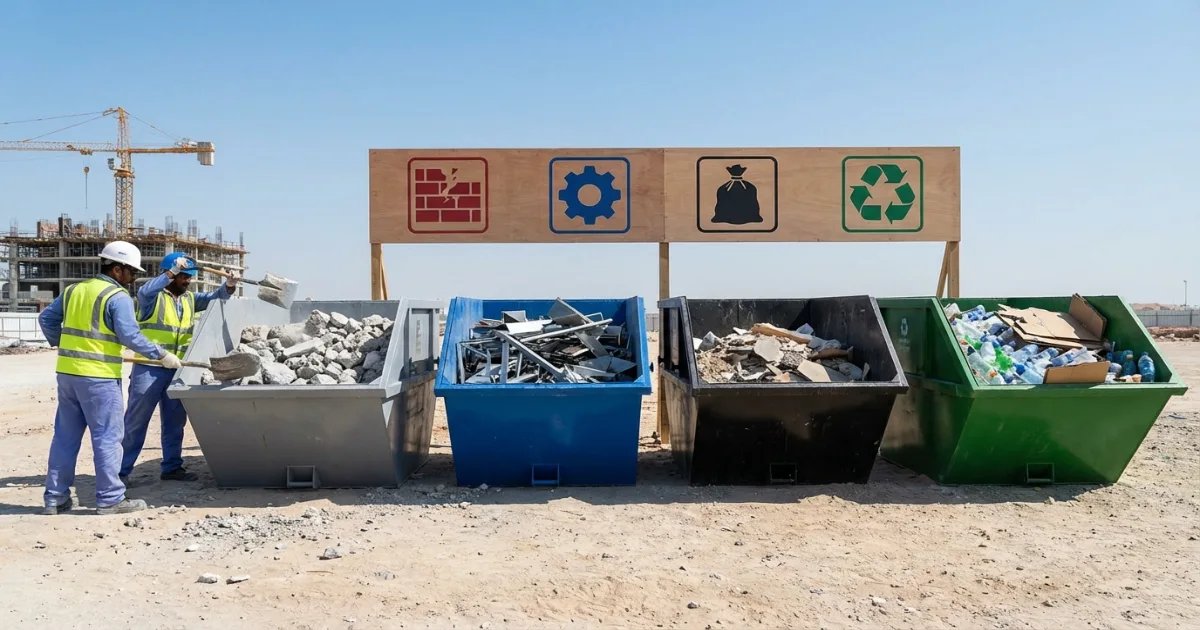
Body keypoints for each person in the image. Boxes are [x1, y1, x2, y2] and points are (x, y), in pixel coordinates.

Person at [37, 241, 183, 515]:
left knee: (65, 437)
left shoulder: (74, 290)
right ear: (117, 269)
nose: (133, 278)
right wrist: (161, 355)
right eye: (132, 272)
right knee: (107, 437)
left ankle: (55, 498)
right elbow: (130, 336)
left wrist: (64, 344)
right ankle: (110, 498)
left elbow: (46, 319)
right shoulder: (117, 297)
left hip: (68, 374)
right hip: (99, 377)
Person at [119, 252, 238, 484]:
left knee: (175, 421)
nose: (187, 280)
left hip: (177, 368)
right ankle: (120, 473)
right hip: (150, 367)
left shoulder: (189, 299)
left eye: (189, 276)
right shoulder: (152, 298)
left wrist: (230, 286)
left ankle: (172, 467)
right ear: (170, 274)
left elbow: (216, 299)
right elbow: (144, 291)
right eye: (183, 276)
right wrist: (171, 272)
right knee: (136, 421)